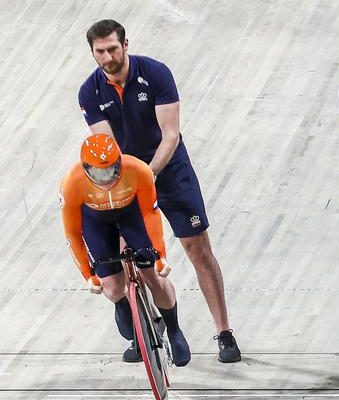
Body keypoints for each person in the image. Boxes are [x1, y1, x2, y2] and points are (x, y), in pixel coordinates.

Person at [77, 19, 240, 363]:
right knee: (125, 250)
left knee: (197, 248)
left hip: (168, 168)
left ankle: (224, 331)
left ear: (125, 45)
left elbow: (171, 134)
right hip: (125, 176)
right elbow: (107, 146)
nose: (107, 57)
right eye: (100, 52)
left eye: (112, 49)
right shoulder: (89, 92)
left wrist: (149, 174)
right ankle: (146, 327)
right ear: (92, 52)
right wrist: (129, 182)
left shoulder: (155, 73)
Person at [61, 134, 191, 366]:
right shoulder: (72, 183)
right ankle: (124, 305)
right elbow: (72, 233)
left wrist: (160, 255)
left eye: (112, 170)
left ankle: (174, 331)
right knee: (111, 287)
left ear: (120, 162)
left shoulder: (138, 170)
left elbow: (150, 214)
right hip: (97, 223)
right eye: (100, 174)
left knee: (154, 275)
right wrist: (88, 275)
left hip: (132, 215)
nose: (107, 179)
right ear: (86, 169)